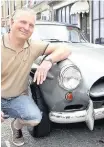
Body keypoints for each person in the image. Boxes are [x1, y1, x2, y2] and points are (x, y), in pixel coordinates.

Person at [1, 8, 71, 146]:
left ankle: (16, 126)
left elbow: (65, 49)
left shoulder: (33, 46)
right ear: (11, 22)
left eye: (31, 25)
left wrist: (47, 61)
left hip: (17, 97)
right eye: (23, 22)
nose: (27, 27)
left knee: (35, 118)